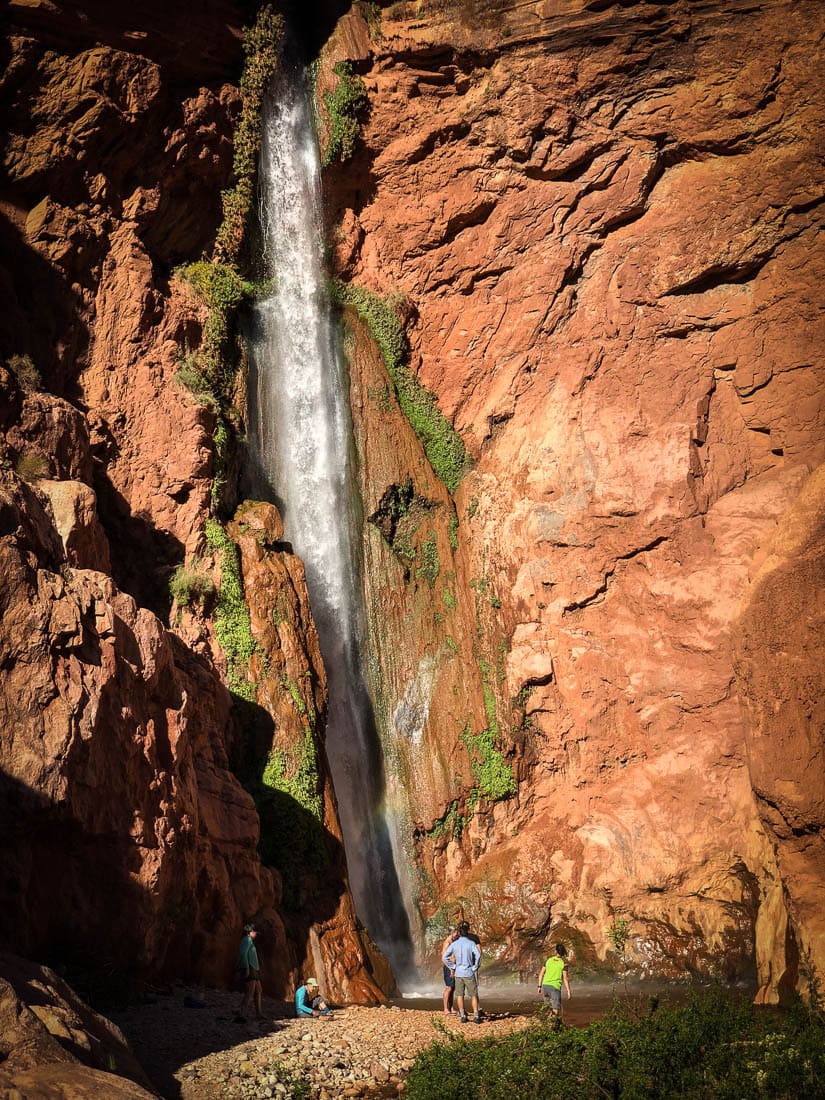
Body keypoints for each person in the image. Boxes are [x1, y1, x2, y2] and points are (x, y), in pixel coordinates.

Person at [442, 921, 481, 1024]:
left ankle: (463, 1015)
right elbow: (478, 955)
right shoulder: (471, 943)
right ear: (468, 930)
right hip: (469, 972)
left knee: (460, 995)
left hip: (458, 973)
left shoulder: (455, 944)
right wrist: (475, 967)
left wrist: (453, 966)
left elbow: (445, 957)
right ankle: (476, 1015)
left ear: (459, 932)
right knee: (473, 995)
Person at [235, 922, 263, 1022]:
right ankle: (242, 1013)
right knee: (250, 992)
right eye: (254, 932)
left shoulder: (249, 940)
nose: (255, 934)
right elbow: (243, 954)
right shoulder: (246, 940)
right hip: (250, 968)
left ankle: (259, 1013)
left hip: (253, 968)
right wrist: (246, 968)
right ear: (249, 932)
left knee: (258, 990)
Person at [537, 943, 571, 1018]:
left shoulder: (548, 960)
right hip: (555, 987)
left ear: (556, 951)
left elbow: (541, 974)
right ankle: (553, 1026)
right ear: (563, 952)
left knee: (548, 1007)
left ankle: (546, 1024)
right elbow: (565, 978)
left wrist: (539, 987)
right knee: (555, 1008)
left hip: (545, 986)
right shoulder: (564, 963)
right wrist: (568, 991)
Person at [441, 927, 459, 1015]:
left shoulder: (454, 941)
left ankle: (451, 1007)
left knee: (453, 988)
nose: (457, 934)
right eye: (456, 932)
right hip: (449, 968)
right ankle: (445, 1008)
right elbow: (443, 958)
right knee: (449, 988)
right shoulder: (447, 942)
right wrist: (451, 969)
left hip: (454, 967)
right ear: (451, 933)